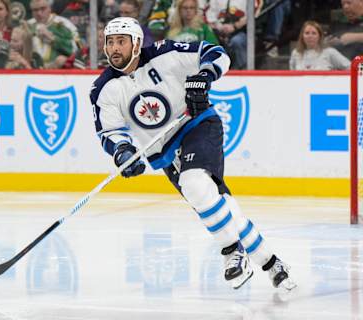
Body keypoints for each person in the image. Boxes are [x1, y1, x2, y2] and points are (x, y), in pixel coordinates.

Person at [89, 17, 297, 290]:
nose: (114, 48)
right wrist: (123, 151)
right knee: (216, 203)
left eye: (121, 41)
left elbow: (214, 53)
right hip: (165, 154)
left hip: (196, 125)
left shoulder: (164, 54)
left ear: (137, 43)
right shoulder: (103, 88)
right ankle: (272, 264)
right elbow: (109, 131)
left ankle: (231, 252)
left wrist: (204, 76)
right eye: (110, 42)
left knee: (195, 183)